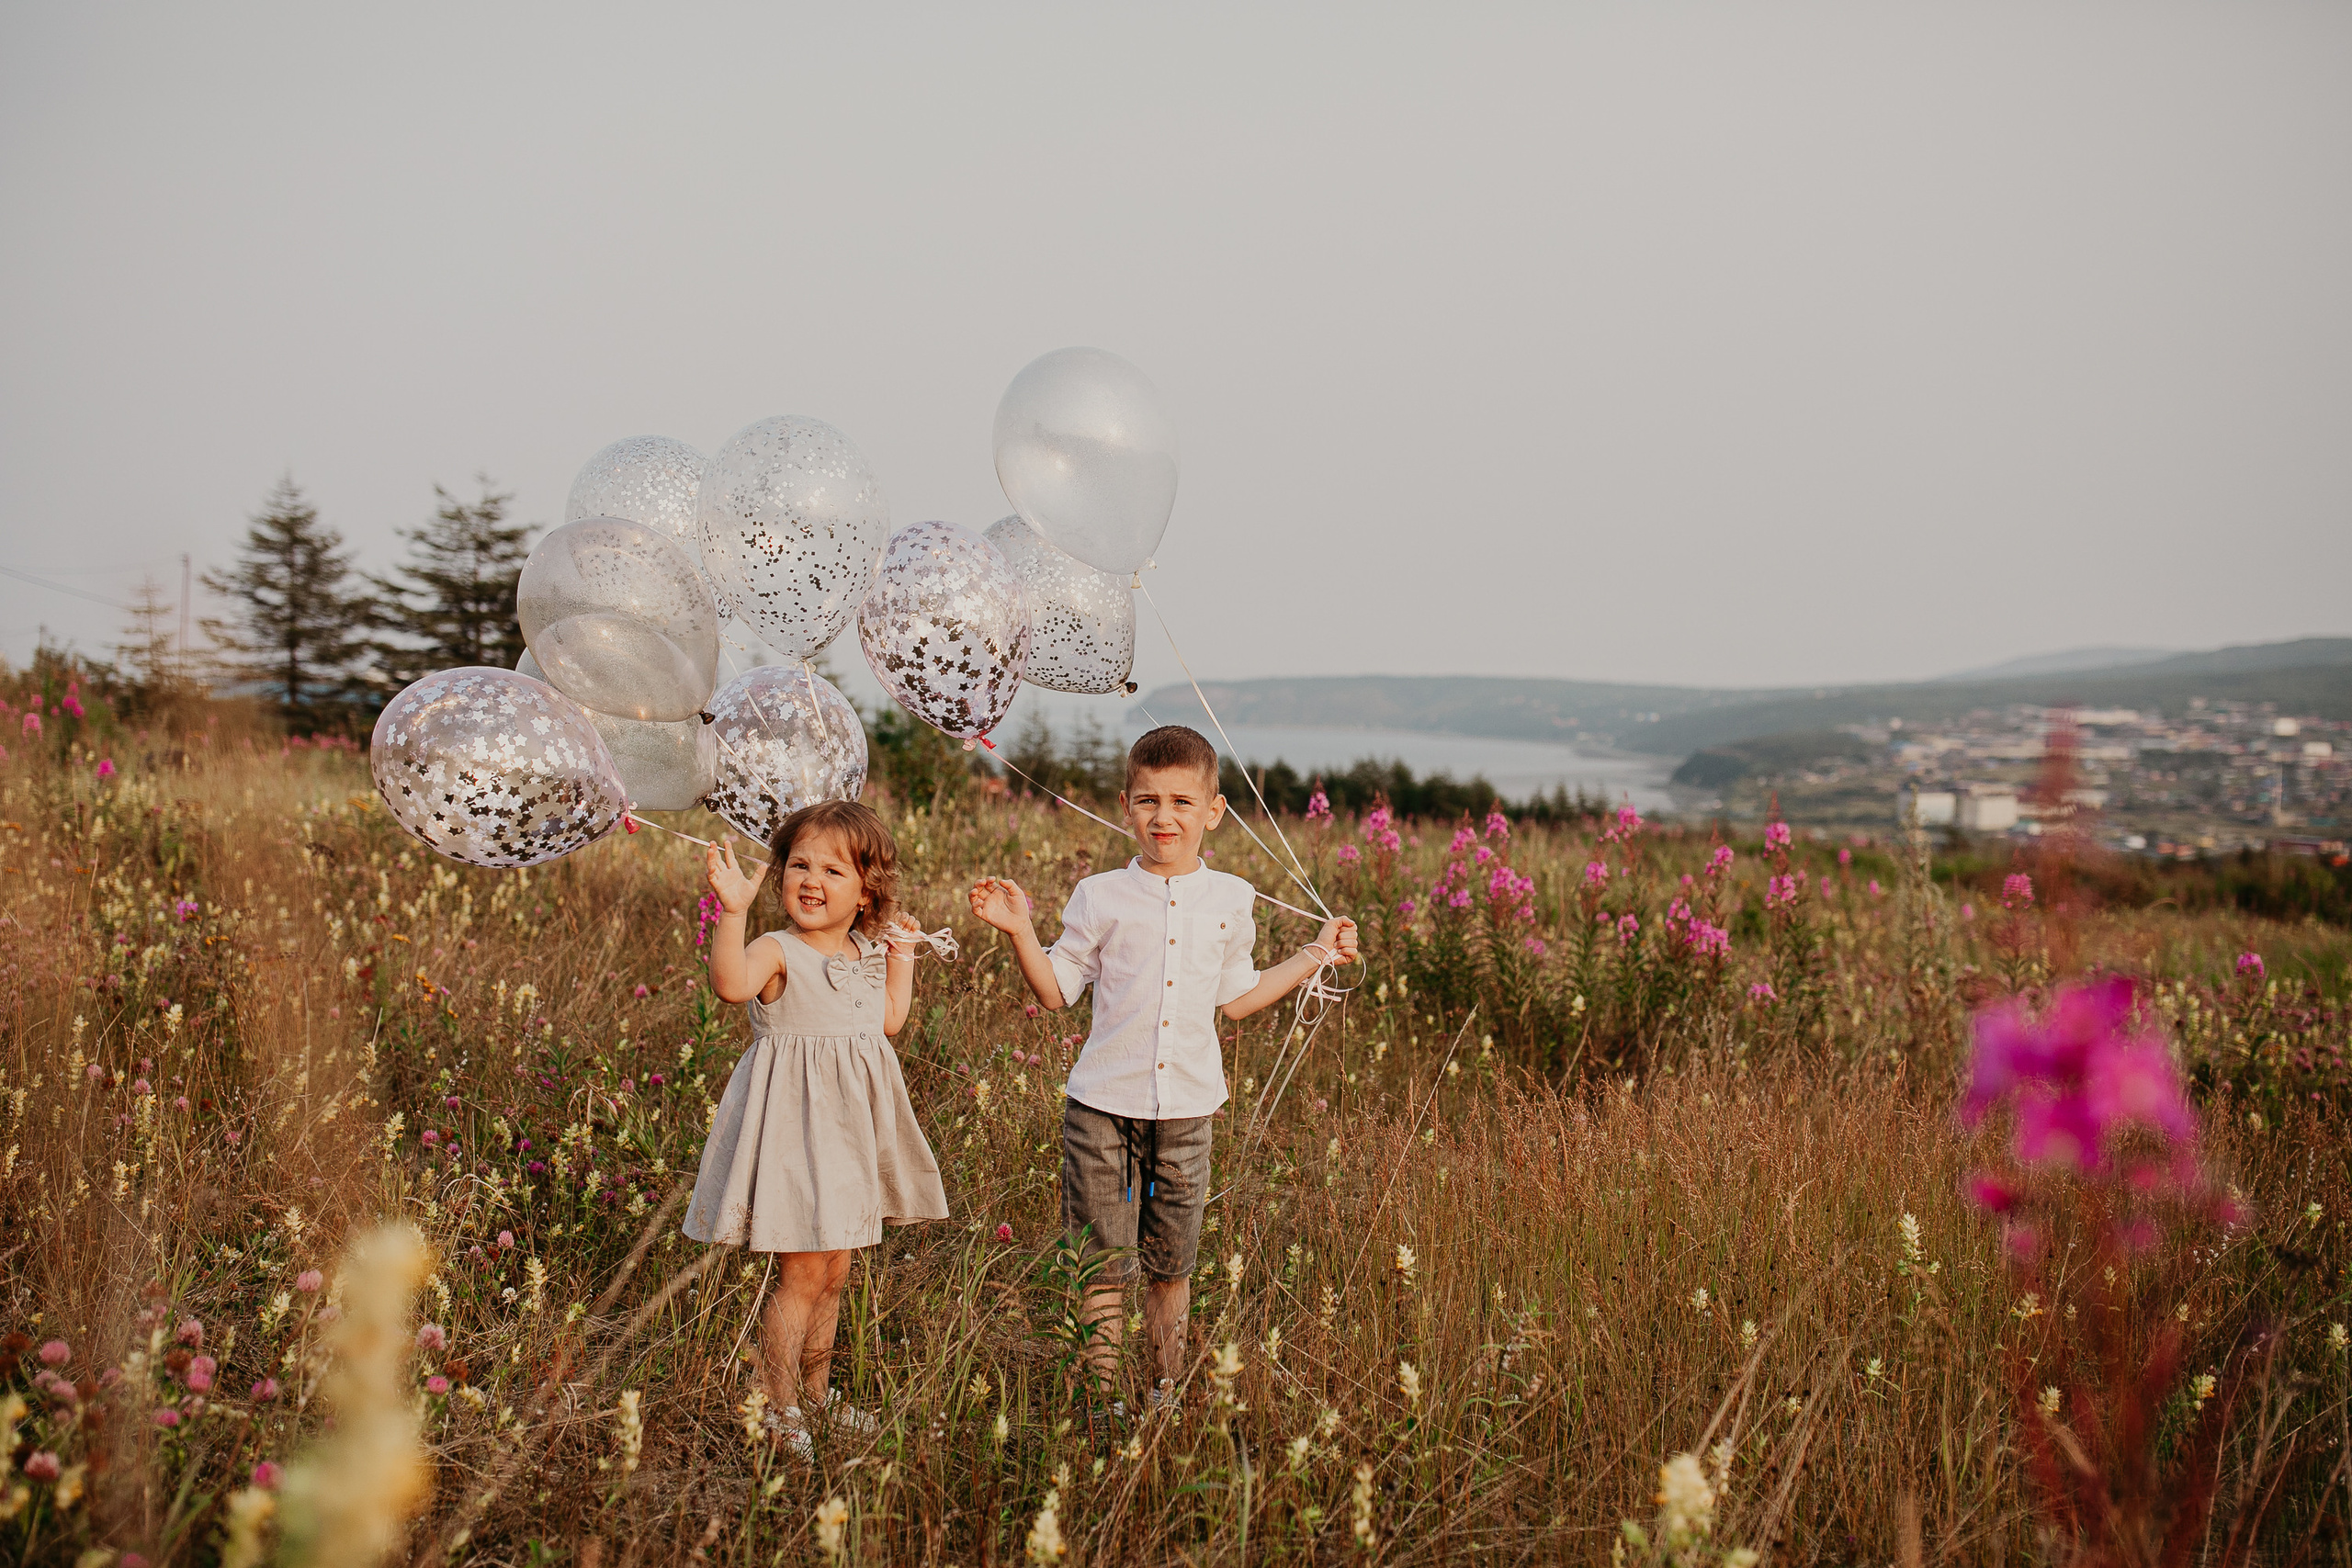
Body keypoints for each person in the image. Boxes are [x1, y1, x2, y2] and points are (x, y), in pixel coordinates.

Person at [968, 725, 1357, 1409]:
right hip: (1101, 1110)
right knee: (1101, 1268)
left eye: (1182, 800)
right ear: (1125, 806)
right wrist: (1021, 930)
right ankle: (1100, 1397)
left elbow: (1237, 998)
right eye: (1148, 800)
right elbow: (1056, 991)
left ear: (1214, 810)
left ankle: (1162, 1387)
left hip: (1186, 1113)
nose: (1164, 816)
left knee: (1170, 1265)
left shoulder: (1233, 898)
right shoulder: (1098, 895)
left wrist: (1315, 955)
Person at [685, 799, 949, 1457]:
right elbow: (728, 983)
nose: (811, 879)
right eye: (799, 864)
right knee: (801, 1276)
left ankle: (817, 1393)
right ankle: (778, 1409)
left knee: (836, 1272)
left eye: (833, 870)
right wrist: (734, 910)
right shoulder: (777, 951)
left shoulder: (864, 948)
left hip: (850, 1141)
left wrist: (901, 958)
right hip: (793, 1139)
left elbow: (888, 1019)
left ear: (867, 893)